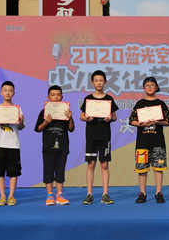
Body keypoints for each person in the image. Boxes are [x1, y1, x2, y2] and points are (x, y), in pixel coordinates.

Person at [129, 77, 169, 203]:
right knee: (142, 169)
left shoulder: (161, 104)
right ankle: (142, 193)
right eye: (147, 85)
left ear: (156, 87)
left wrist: (157, 122)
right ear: (143, 88)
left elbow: (168, 121)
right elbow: (131, 120)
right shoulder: (140, 104)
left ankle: (158, 193)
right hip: (142, 142)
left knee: (158, 168)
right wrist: (141, 124)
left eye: (152, 85)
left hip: (158, 141)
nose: (149, 87)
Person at [79, 70, 119, 205]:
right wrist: (87, 118)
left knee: (104, 164)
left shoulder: (109, 99)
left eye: (101, 80)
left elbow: (114, 116)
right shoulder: (88, 99)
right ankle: (89, 194)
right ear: (92, 82)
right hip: (91, 135)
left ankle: (105, 194)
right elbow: (82, 116)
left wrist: (110, 118)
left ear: (105, 82)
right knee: (91, 164)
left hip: (104, 135)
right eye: (96, 80)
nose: (99, 83)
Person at [35, 85, 75, 206]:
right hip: (48, 147)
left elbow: (71, 128)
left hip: (63, 146)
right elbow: (38, 128)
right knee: (48, 170)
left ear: (62, 97)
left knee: (60, 170)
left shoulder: (66, 112)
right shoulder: (44, 112)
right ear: (48, 97)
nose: (56, 97)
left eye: (58, 95)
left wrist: (70, 118)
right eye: (53, 95)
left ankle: (59, 195)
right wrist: (46, 122)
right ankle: (49, 195)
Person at [0, 81, 25, 206]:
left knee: (13, 172)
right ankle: (2, 196)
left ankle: (11, 196)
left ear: (14, 93)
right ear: (1, 92)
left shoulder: (17, 109)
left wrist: (21, 120)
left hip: (13, 144)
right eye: (5, 90)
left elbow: (21, 127)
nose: (7, 93)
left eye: (10, 90)